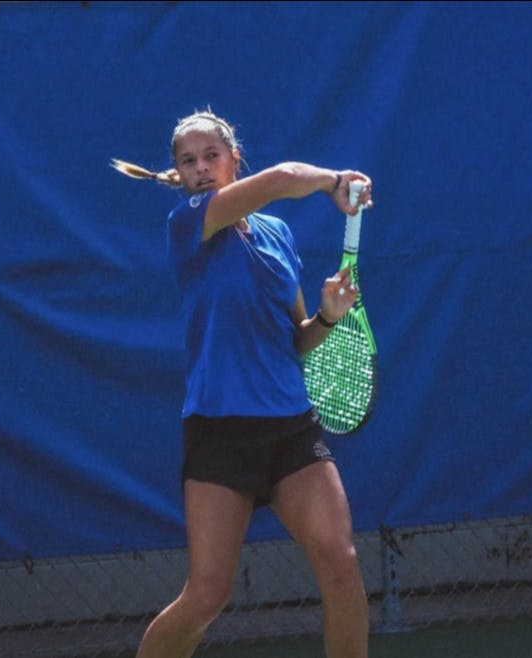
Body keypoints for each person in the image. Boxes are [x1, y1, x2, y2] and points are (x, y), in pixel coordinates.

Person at [112, 108, 373, 658]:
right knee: (207, 596)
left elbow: (295, 340)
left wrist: (325, 317)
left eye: (212, 156)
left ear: (234, 159)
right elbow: (280, 180)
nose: (202, 168)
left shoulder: (277, 236)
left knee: (342, 565)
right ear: (179, 175)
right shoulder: (188, 223)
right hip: (219, 433)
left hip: (291, 432)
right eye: (189, 161)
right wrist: (334, 182)